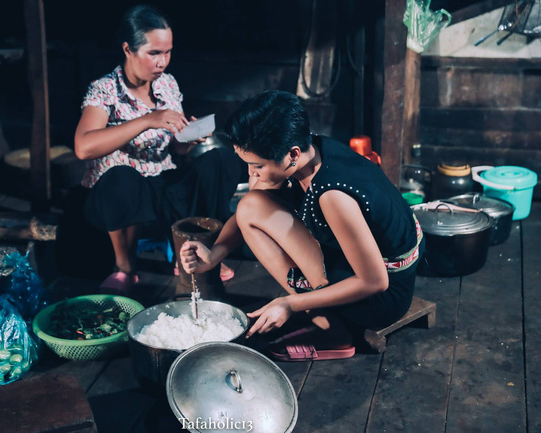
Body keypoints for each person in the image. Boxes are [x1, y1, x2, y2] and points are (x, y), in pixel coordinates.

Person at [180, 90, 424, 361]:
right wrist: (214, 255)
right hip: (363, 261)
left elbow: (374, 281)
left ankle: (333, 333)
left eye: (257, 165)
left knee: (255, 199)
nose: (251, 173)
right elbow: (251, 205)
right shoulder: (313, 148)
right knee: (251, 203)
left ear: (292, 154)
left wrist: (289, 303)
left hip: (384, 295)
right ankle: (322, 310)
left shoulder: (333, 196)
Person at [75, 5, 243, 292]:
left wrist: (188, 139)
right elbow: (83, 147)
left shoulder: (167, 85)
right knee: (122, 178)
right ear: (128, 49)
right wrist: (148, 120)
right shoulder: (105, 90)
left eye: (167, 52)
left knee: (220, 160)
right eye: (154, 53)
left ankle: (197, 251)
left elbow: (177, 152)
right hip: (118, 197)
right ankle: (125, 268)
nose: (162, 61)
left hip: (162, 185)